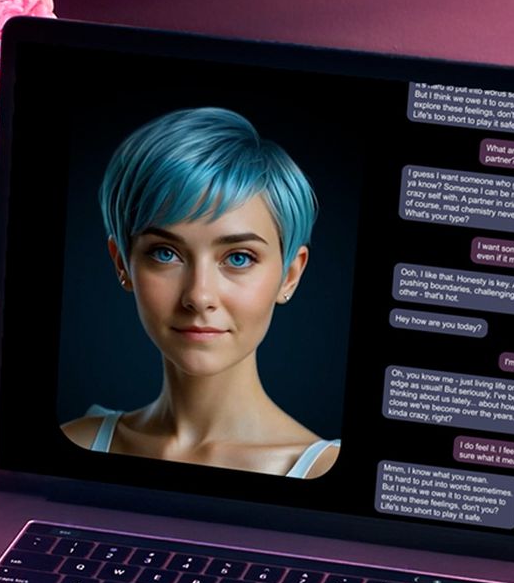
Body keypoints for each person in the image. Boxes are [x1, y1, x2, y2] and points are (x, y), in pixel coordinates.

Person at [61, 107, 340, 478]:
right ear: (122, 264)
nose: (199, 295)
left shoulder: (323, 471)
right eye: (165, 253)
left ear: (290, 275)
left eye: (239, 258)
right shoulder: (75, 443)